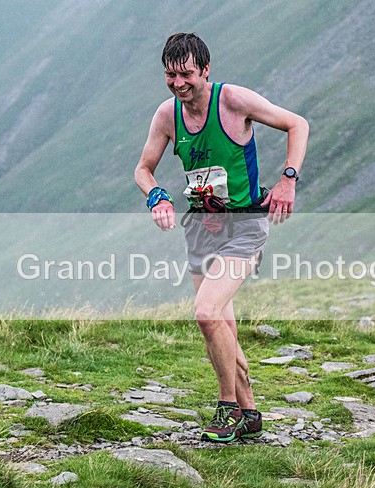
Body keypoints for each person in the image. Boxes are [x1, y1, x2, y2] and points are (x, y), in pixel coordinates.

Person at [134, 33, 308, 443]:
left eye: (186, 74)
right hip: (200, 229)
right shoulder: (167, 115)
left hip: (244, 226)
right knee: (222, 323)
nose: (178, 83)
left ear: (205, 70)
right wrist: (157, 196)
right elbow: (143, 169)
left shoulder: (232, 100)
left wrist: (288, 179)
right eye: (170, 75)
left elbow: (297, 124)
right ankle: (249, 413)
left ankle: (227, 406)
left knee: (207, 312)